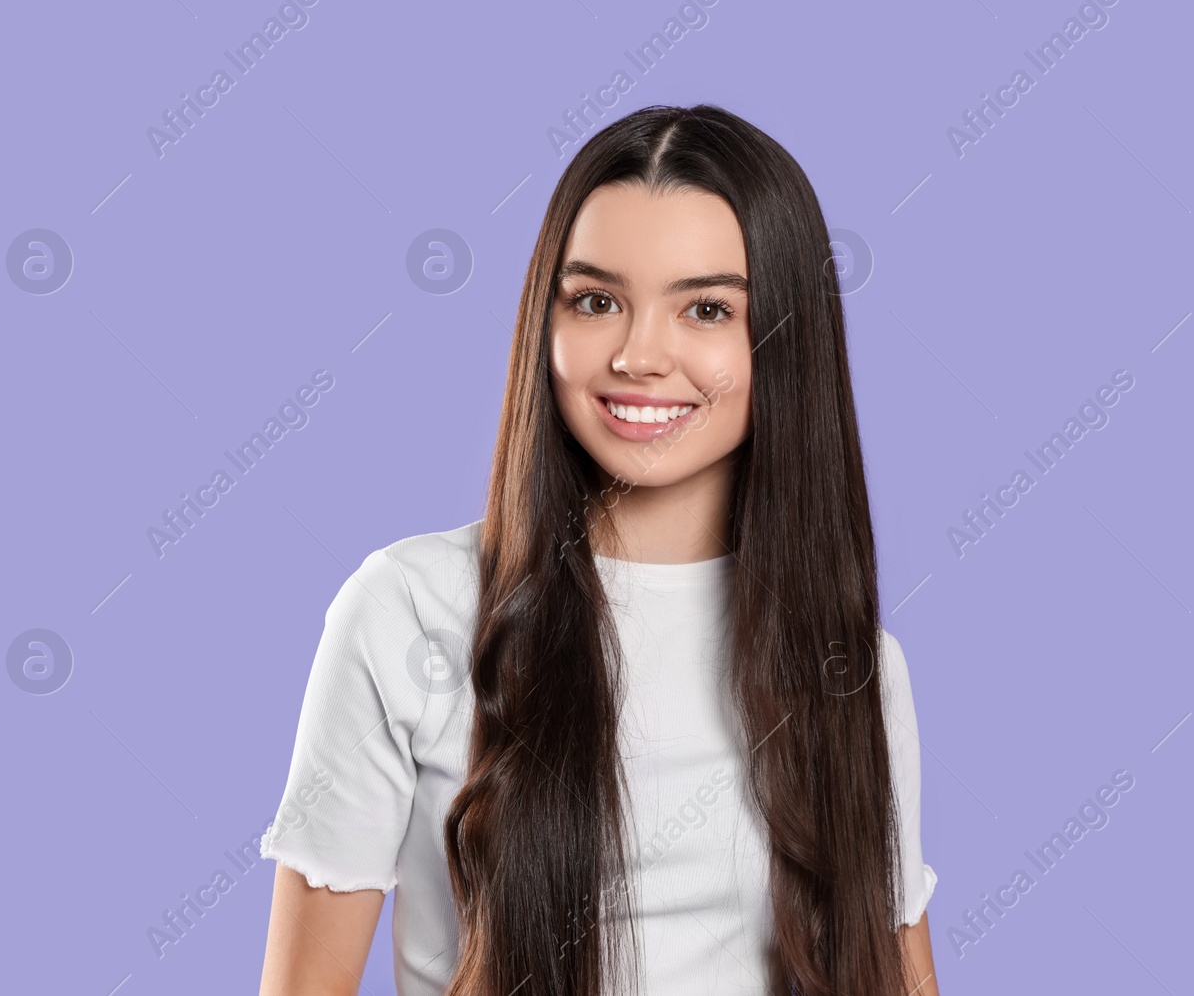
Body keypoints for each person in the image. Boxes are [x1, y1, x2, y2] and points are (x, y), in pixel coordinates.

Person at [257, 103, 940, 996]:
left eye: (706, 308)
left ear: (784, 340)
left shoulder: (856, 664)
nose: (639, 354)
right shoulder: (408, 612)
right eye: (596, 301)